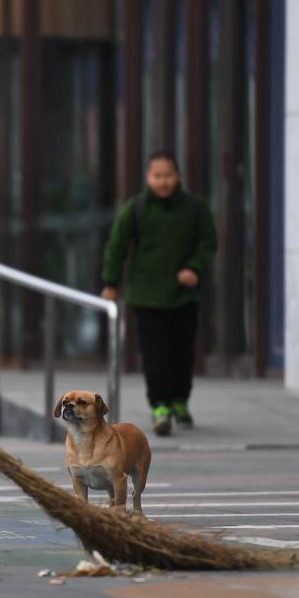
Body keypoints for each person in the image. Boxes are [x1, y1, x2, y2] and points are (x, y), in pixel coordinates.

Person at [100, 151, 217, 436]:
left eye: (168, 175)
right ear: (148, 177)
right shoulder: (136, 208)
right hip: (146, 296)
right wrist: (111, 283)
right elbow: (117, 245)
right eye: (157, 176)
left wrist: (195, 268)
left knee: (183, 353)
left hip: (184, 295)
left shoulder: (195, 207)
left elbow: (208, 242)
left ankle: (180, 400)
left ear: (178, 177)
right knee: (154, 354)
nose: (163, 181)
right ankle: (160, 406)